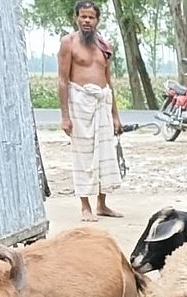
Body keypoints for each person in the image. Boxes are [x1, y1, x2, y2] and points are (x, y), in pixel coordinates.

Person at [57, 0, 123, 221]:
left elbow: (108, 80)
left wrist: (115, 115)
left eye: (91, 17)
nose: (86, 20)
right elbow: (62, 80)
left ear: (97, 20)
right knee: (84, 156)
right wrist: (65, 116)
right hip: (80, 104)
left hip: (102, 103)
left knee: (105, 155)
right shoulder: (69, 43)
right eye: (83, 16)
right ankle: (85, 206)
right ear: (76, 18)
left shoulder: (105, 45)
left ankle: (102, 204)